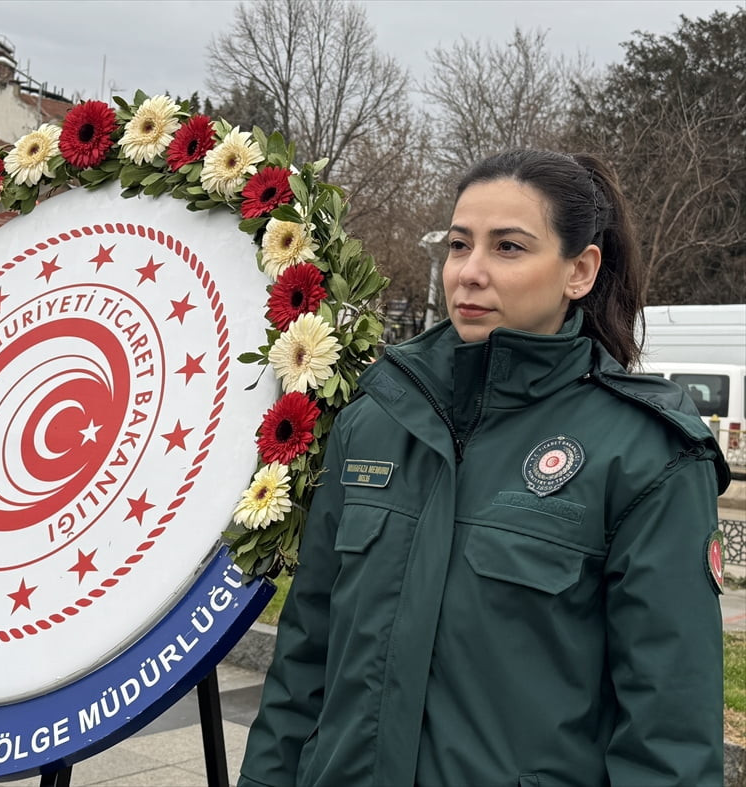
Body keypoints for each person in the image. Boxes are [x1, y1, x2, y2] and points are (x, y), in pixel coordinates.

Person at [238, 149, 729, 787]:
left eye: (509, 248)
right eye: (459, 245)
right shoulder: (377, 418)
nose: (468, 273)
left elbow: (669, 737)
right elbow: (304, 660)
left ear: (579, 271)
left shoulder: (645, 454)